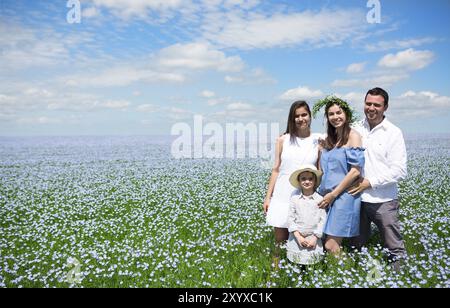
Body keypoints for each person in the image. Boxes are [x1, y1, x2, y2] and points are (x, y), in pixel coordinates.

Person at [349, 87, 407, 268]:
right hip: (356, 198)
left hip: (383, 200)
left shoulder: (393, 132)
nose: (371, 108)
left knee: (394, 246)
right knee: (355, 244)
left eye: (377, 105)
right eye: (368, 103)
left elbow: (400, 170)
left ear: (385, 107)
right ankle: (356, 274)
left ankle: (401, 276)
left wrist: (370, 182)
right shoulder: (355, 128)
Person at [263, 101, 322, 265]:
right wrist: (268, 197)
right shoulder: (283, 140)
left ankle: (303, 271)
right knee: (280, 239)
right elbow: (276, 169)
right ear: (292, 118)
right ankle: (275, 273)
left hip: (306, 196)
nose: (301, 118)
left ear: (310, 116)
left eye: (304, 114)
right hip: (283, 193)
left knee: (306, 235)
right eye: (297, 116)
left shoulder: (318, 140)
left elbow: (319, 171)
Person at [313, 96, 365, 255]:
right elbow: (323, 170)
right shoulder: (329, 139)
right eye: (331, 114)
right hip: (326, 196)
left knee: (331, 245)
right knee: (322, 241)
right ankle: (338, 275)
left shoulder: (353, 136)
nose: (335, 117)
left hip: (343, 196)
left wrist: (333, 195)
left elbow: (355, 171)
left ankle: (346, 276)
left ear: (347, 114)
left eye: (339, 112)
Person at [286, 165, 327, 265]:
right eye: (303, 179)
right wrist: (298, 236)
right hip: (297, 238)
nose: (307, 181)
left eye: (310, 179)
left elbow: (323, 220)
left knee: (313, 264)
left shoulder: (320, 199)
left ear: (315, 181)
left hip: (313, 239)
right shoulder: (294, 198)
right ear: (299, 181)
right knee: (296, 263)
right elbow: (290, 218)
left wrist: (315, 238)